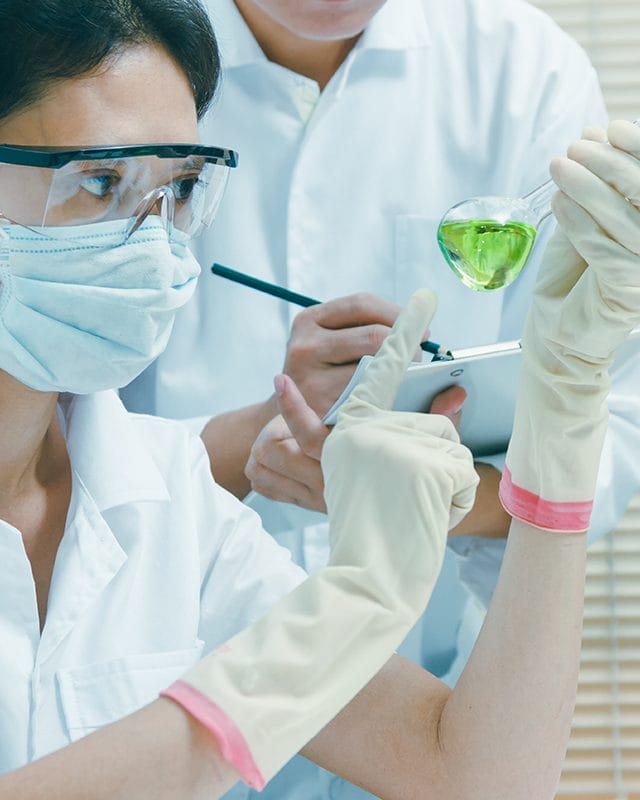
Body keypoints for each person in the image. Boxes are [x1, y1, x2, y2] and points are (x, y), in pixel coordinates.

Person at [2, 22, 639, 783]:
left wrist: (563, 410)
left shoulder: (167, 499)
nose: (152, 244)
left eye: (178, 189)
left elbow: (479, 778)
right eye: (102, 183)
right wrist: (343, 613)